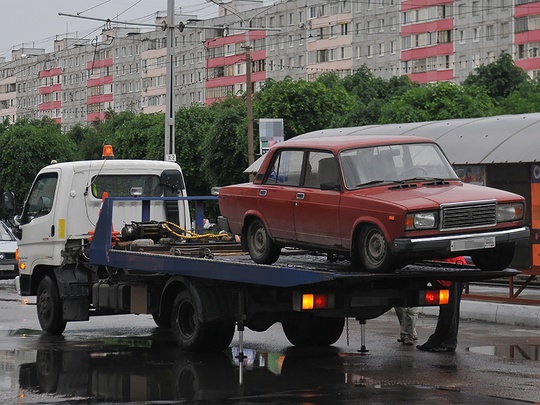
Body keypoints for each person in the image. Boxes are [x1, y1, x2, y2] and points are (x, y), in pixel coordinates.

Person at [416, 281, 463, 353]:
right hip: (445, 277)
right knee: (446, 308)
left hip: (451, 276)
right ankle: (436, 341)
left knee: (450, 307)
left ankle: (448, 343)